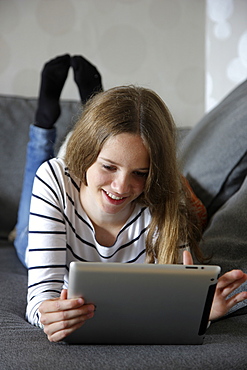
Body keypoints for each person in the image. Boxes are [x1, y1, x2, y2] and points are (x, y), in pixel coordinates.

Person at [14, 55, 247, 343]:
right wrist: (48, 315)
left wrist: (201, 310)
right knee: (24, 239)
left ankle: (94, 112)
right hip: (59, 210)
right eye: (109, 167)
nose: (122, 187)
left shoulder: (165, 195)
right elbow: (39, 301)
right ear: (87, 155)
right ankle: (44, 127)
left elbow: (171, 304)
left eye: (140, 172)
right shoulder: (54, 180)